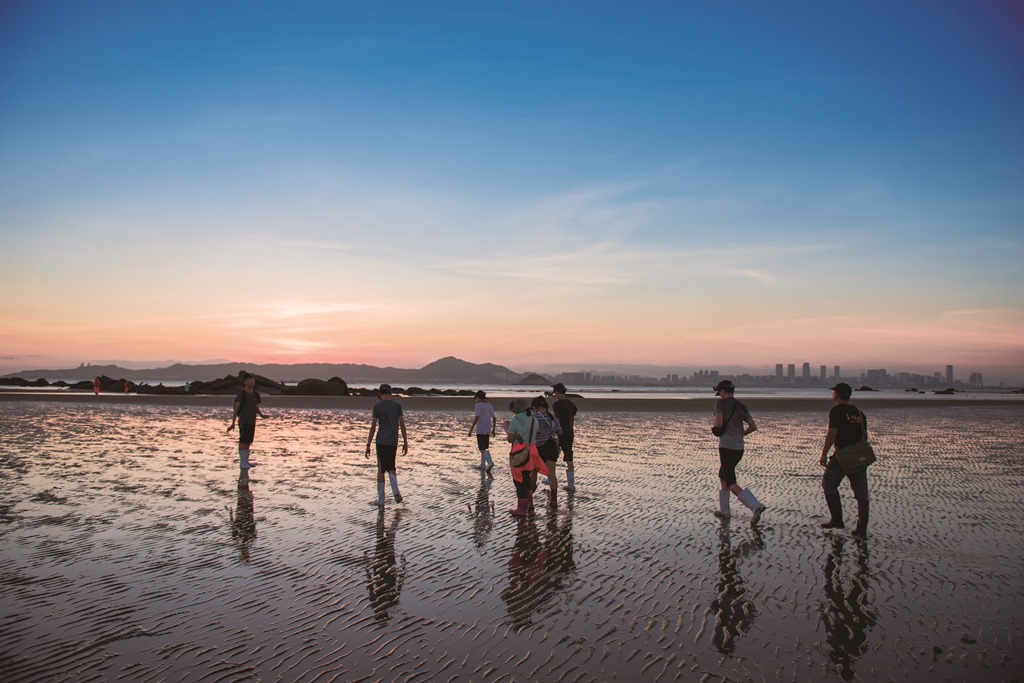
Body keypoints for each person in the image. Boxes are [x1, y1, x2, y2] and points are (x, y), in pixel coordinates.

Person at [712, 380, 766, 525]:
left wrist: (715, 426)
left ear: (723, 391)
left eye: (720, 392)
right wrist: (741, 434)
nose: (720, 395)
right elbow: (753, 426)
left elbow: (719, 424)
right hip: (739, 448)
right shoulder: (741, 405)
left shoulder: (720, 404)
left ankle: (755, 506)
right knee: (723, 475)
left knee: (730, 481)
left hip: (726, 447)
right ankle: (725, 511)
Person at [819, 382, 870, 537]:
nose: (832, 394)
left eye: (833, 392)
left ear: (838, 395)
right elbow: (864, 436)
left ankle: (837, 519)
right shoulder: (859, 413)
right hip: (858, 457)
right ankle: (862, 529)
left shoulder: (836, 411)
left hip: (841, 456)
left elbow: (832, 433)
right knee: (862, 495)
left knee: (829, 484)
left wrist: (824, 453)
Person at [365, 383, 409, 507]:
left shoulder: (377, 406)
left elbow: (373, 426)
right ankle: (396, 492)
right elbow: (402, 424)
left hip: (381, 441)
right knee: (391, 467)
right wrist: (405, 442)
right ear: (391, 393)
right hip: (393, 441)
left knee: (381, 470)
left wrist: (368, 444)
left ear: (379, 394)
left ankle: (381, 499)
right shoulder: (397, 406)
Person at [503, 398, 547, 517]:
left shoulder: (515, 420)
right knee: (527, 477)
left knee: (519, 480)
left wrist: (508, 431)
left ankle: (521, 510)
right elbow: (536, 435)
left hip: (519, 452)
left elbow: (510, 439)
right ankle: (530, 504)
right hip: (532, 450)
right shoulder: (534, 419)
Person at [227, 372, 265, 470]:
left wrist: (261, 415)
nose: (252, 382)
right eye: (249, 380)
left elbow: (256, 406)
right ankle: (242, 462)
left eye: (253, 380)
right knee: (243, 441)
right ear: (245, 381)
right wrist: (233, 423)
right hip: (244, 420)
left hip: (252, 420)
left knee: (248, 441)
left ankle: (246, 461)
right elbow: (236, 408)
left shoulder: (255, 394)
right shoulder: (242, 394)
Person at [531, 395, 562, 506]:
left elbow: (532, 433)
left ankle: (530, 498)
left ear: (535, 407)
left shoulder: (533, 417)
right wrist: (557, 441)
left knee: (533, 471)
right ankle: (554, 500)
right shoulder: (552, 417)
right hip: (551, 446)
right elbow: (559, 431)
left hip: (538, 448)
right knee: (551, 474)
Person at [550, 383, 578, 491]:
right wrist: (569, 429)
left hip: (560, 433)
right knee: (569, 456)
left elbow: (557, 420)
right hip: (570, 432)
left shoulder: (557, 405)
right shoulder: (571, 404)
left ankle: (550, 478)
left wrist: (556, 435)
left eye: (554, 393)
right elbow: (572, 419)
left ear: (557, 392)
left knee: (552, 456)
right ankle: (571, 484)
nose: (554, 395)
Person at [468, 390, 497, 473]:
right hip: (488, 428)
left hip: (481, 428)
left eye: (476, 398)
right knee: (484, 447)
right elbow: (494, 417)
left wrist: (471, 429)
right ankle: (482, 465)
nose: (476, 400)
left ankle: (490, 462)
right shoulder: (489, 405)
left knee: (482, 448)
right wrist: (493, 429)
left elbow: (476, 417)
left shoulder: (478, 405)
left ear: (478, 397)